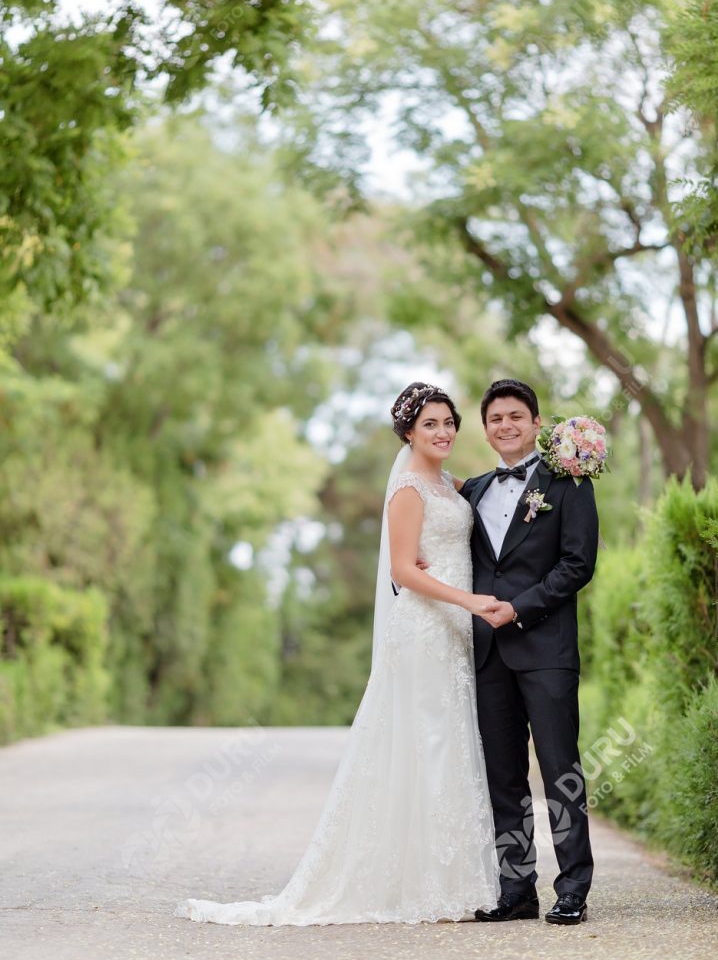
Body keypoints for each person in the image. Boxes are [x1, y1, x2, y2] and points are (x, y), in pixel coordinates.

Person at [176, 382, 507, 927]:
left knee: (448, 741)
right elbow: (403, 570)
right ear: (407, 432)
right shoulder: (407, 489)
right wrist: (469, 600)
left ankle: (451, 877)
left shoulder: (450, 484)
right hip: (424, 626)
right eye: (430, 424)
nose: (443, 432)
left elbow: (487, 502)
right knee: (424, 739)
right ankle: (413, 883)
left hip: (452, 629)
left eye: (449, 422)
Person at [459, 379, 599, 926]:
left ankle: (573, 889)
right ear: (487, 428)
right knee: (504, 776)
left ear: (537, 424)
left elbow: (577, 564)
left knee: (561, 770)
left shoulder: (569, 482)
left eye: (516, 416)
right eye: (496, 418)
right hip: (488, 652)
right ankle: (517, 889)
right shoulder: (472, 490)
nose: (506, 426)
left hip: (546, 649)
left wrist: (519, 608)